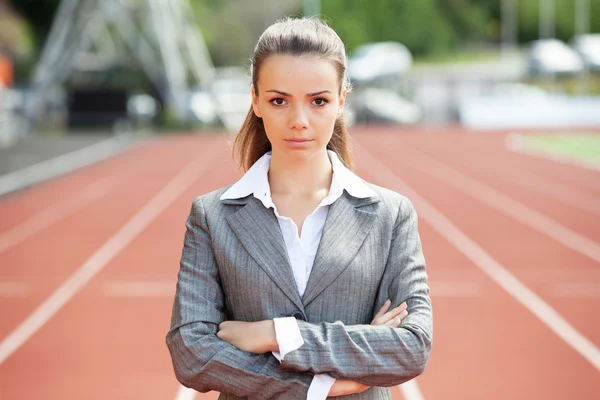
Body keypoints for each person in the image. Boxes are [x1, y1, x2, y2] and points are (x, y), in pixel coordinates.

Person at [166, 17, 432, 400]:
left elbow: (411, 346)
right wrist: (321, 384)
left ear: (341, 99)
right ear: (255, 100)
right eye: (279, 100)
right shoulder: (211, 216)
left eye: (318, 100)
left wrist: (278, 335)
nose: (299, 121)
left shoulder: (391, 215)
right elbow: (192, 352)